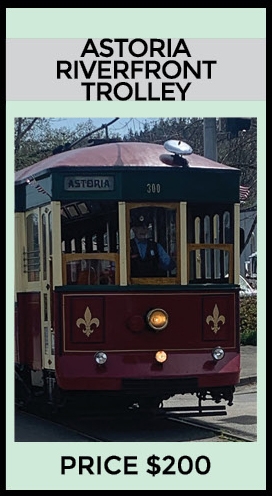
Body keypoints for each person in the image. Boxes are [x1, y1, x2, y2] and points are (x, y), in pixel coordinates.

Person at [130, 212, 176, 277]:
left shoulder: (156, 246)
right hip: (132, 286)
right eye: (140, 227)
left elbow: (168, 264)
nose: (143, 230)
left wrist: (176, 259)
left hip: (153, 285)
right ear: (134, 229)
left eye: (145, 227)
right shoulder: (126, 246)